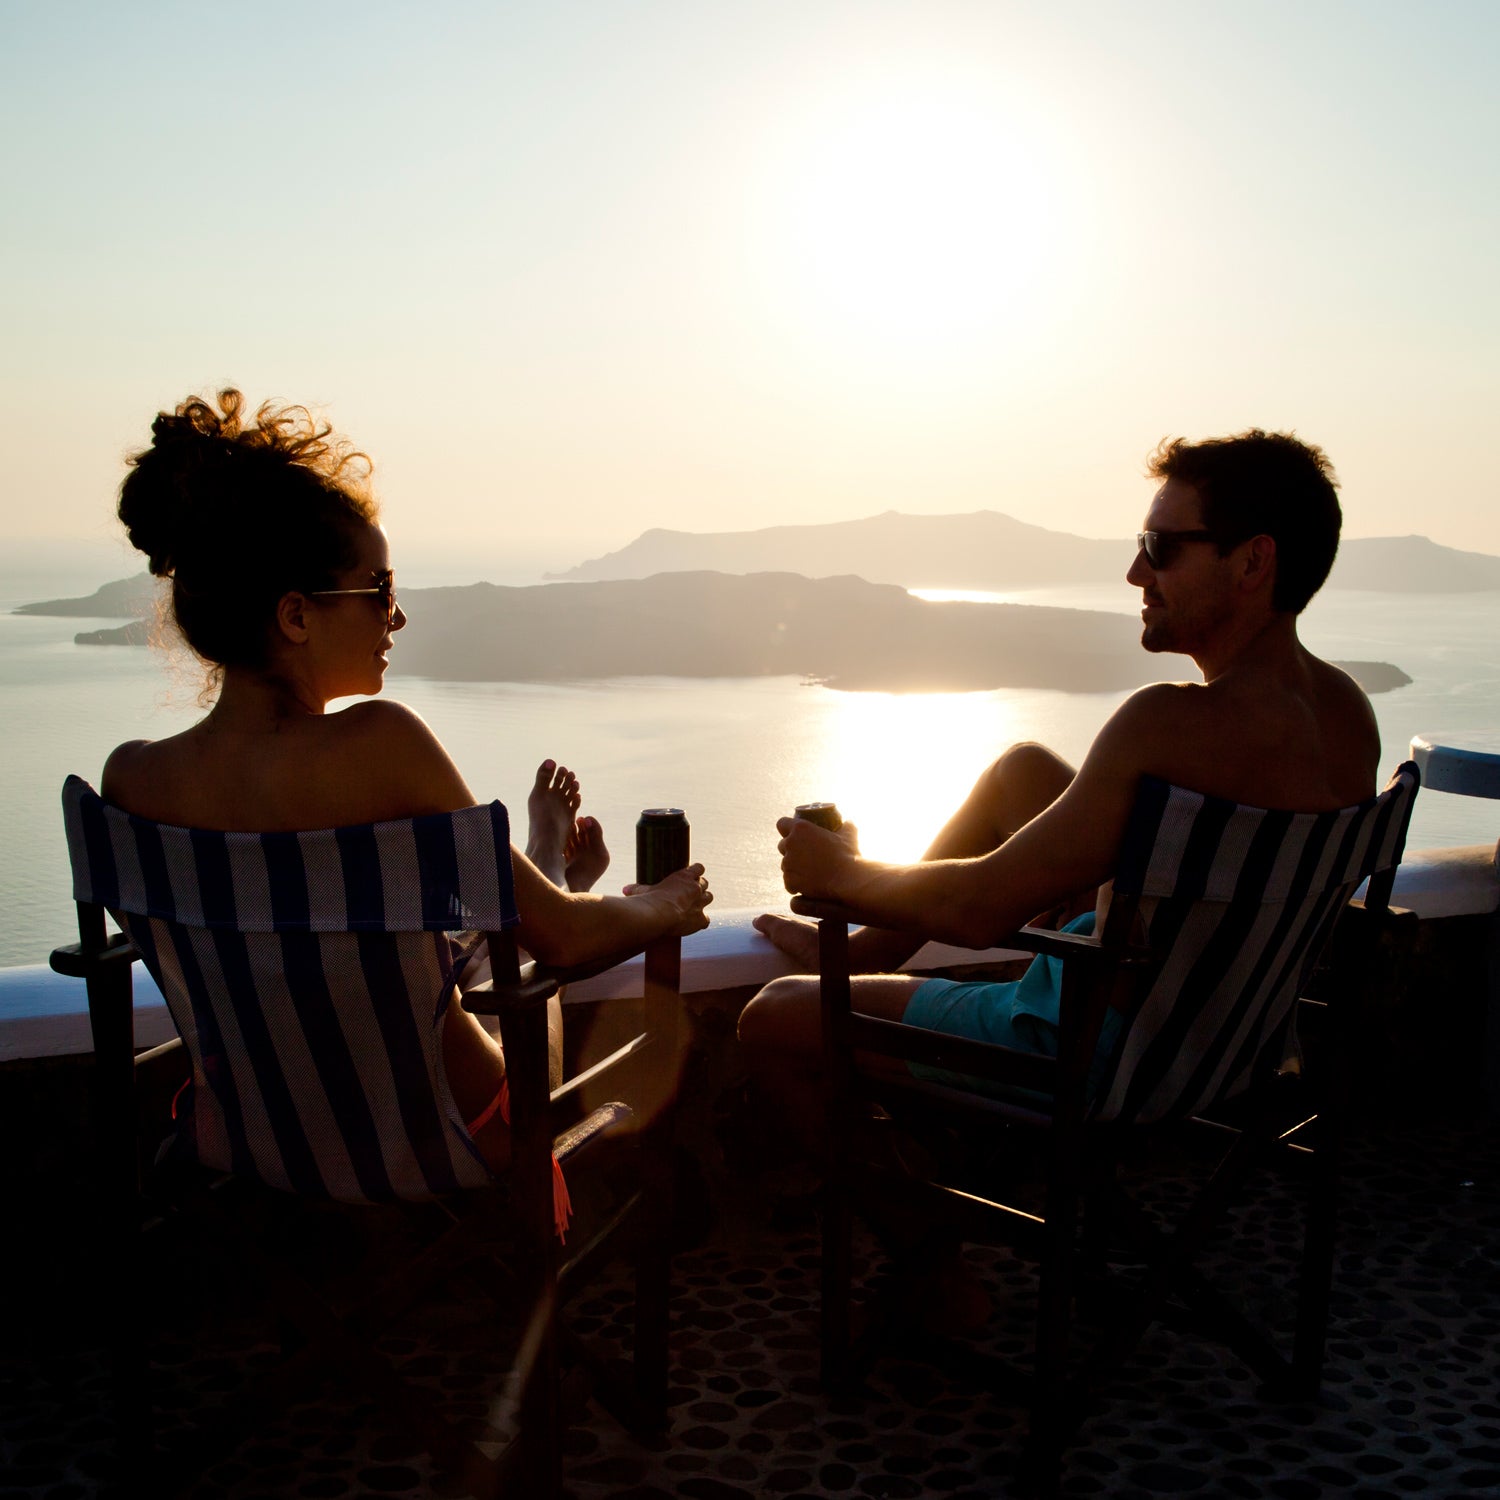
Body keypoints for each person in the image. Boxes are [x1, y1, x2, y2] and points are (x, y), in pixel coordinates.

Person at [104, 388, 712, 1175]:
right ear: (296, 616)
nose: (397, 618)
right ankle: (545, 858)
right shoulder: (383, 746)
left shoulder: (133, 778)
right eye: (380, 590)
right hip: (449, 1136)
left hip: (252, 1136)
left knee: (471, 949)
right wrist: (665, 902)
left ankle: (534, 859)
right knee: (534, 980)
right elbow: (563, 937)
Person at [740, 428, 1379, 1137]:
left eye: (1161, 549)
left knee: (772, 1016)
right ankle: (865, 954)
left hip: (1096, 1054)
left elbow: (978, 909)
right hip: (1240, 1048)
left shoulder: (1166, 723)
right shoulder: (1347, 713)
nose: (1138, 574)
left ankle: (915, 1234)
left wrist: (845, 873)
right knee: (1023, 773)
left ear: (1253, 561)